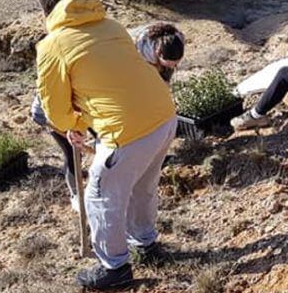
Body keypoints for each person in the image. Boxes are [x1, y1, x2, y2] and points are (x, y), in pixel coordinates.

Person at [35, 0, 178, 290]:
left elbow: (54, 110)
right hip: (164, 116)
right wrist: (84, 120)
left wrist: (73, 123)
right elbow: (112, 84)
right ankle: (145, 244)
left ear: (47, 12)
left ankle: (114, 268)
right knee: (142, 185)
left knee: (100, 196)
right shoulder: (111, 25)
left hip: (125, 132)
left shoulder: (52, 45)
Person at [30, 22, 185, 209]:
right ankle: (77, 196)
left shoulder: (172, 40)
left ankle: (112, 175)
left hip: (89, 107)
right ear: (157, 53)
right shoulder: (67, 77)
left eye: (174, 64)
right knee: (73, 152)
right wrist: (74, 127)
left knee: (104, 142)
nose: (172, 67)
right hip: (50, 113)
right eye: (167, 63)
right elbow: (60, 109)